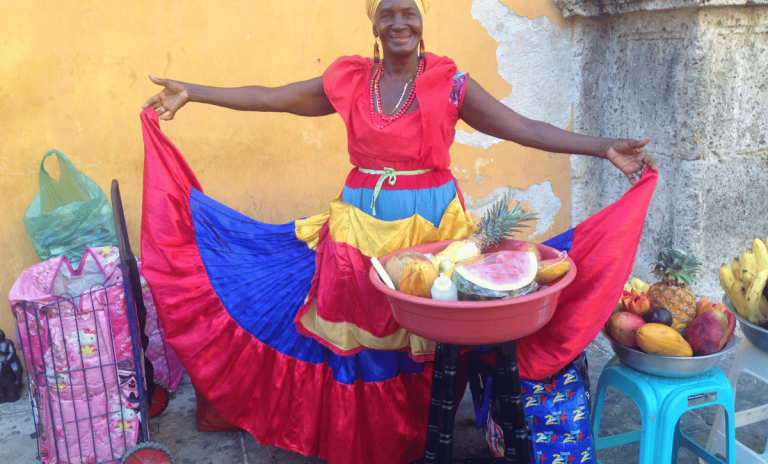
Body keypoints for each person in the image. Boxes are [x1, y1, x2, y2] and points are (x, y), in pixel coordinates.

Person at [139, 1, 658, 463]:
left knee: (424, 341)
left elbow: (520, 127)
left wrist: (603, 146)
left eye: (408, 11)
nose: (399, 22)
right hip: (357, 230)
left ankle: (413, 438)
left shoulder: (451, 82)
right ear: (375, 24)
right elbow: (273, 97)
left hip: (433, 229)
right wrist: (196, 93)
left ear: (422, 19)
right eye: (387, 13)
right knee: (363, 342)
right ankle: (364, 444)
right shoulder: (348, 79)